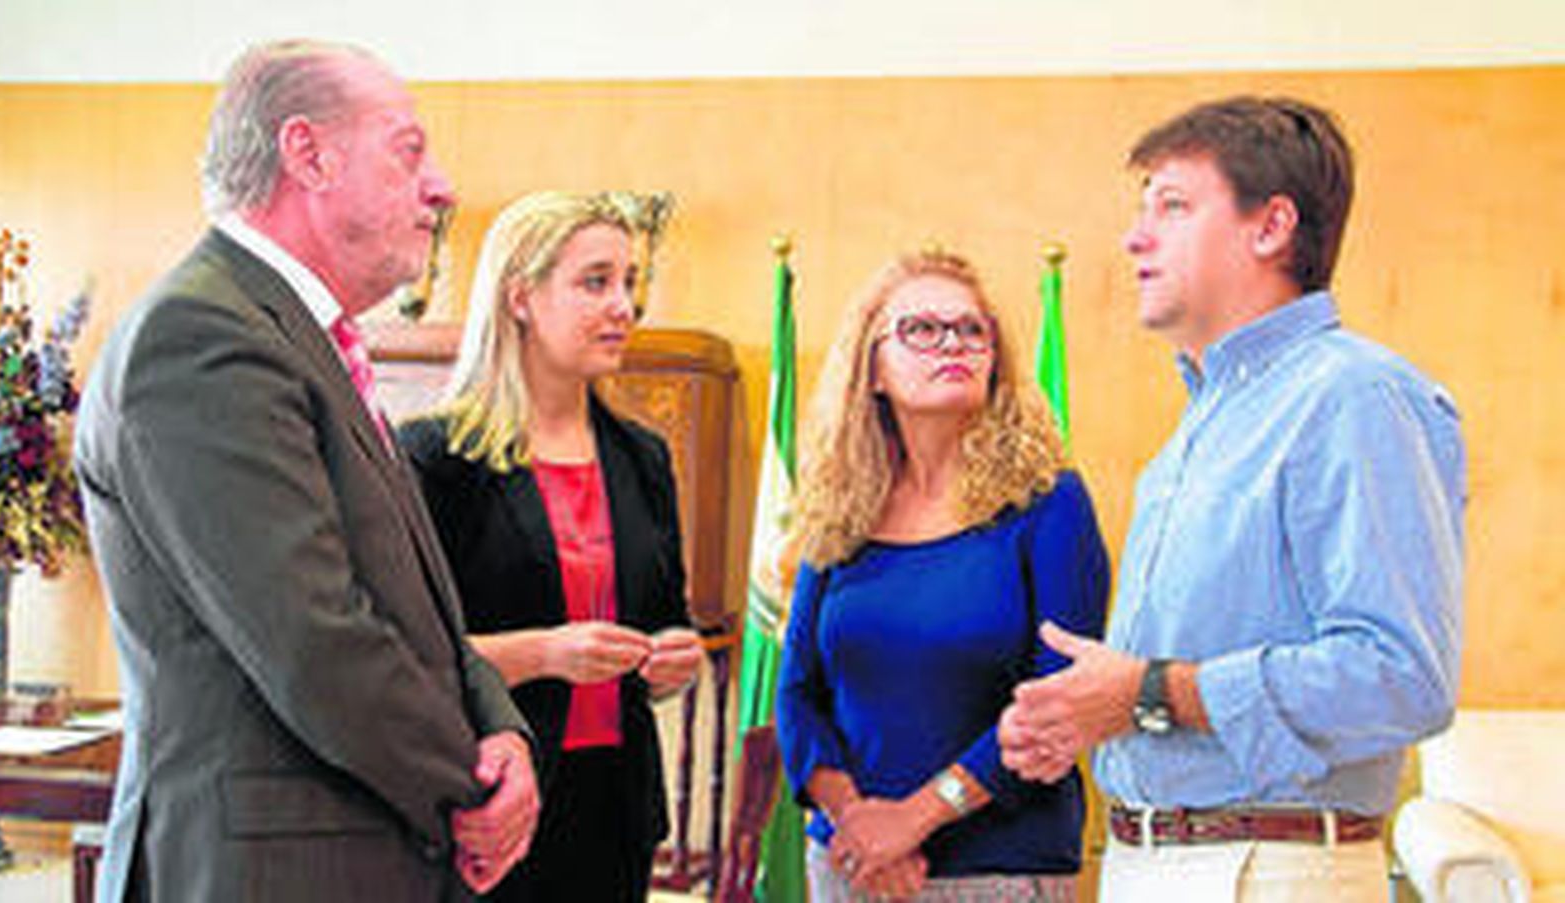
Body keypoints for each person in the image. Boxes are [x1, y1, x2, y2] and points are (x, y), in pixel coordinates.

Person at [74, 40, 539, 902]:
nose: (440, 185)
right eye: (409, 150)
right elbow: (314, 639)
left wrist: (501, 729)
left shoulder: (298, 336)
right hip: (266, 869)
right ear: (308, 155)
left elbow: (419, 617)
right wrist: (473, 785)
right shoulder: (201, 339)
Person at [998, 96, 1466, 902]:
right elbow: (1164, 691)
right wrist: (1091, 717)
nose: (1134, 236)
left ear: (1270, 227)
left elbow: (1402, 676)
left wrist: (1151, 691)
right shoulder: (1196, 431)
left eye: (1172, 205)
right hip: (1152, 859)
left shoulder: (1353, 394)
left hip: (1266, 872)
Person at [775, 249, 1111, 901]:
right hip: (850, 863)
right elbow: (796, 692)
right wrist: (859, 823)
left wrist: (914, 818)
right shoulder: (839, 507)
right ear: (870, 367)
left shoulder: (1049, 502)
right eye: (921, 329)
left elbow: (1056, 698)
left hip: (1001, 868)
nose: (952, 343)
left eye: (970, 328)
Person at [398, 190, 704, 901]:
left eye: (629, 283)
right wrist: (545, 652)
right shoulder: (437, 455)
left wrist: (673, 656)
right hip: (486, 801)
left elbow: (669, 616)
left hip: (616, 808)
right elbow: (405, 652)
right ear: (521, 297)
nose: (624, 305)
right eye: (596, 282)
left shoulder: (642, 457)